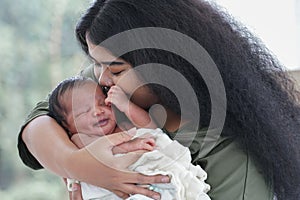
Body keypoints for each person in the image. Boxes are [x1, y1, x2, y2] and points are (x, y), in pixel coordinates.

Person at [17, 0, 300, 200]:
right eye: (95, 64)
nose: (100, 78)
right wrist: (76, 164)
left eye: (114, 69)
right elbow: (41, 118)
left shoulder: (233, 159)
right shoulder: (108, 88)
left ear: (166, 65)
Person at [48, 76, 211, 200]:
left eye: (102, 103)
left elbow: (150, 126)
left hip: (152, 175)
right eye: (84, 111)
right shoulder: (78, 139)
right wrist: (128, 146)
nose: (98, 111)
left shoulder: (123, 125)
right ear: (66, 126)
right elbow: (94, 155)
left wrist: (126, 105)